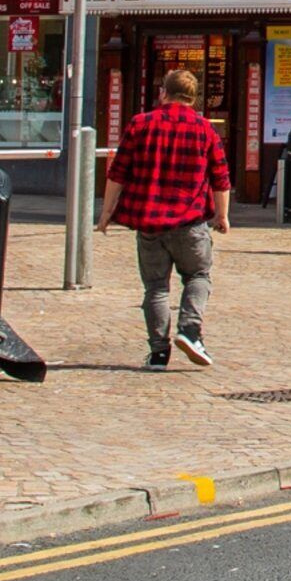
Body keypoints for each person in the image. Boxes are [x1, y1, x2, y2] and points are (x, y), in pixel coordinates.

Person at [100, 68, 234, 371]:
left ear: (164, 92)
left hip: (149, 223)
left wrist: (107, 213)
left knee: (156, 288)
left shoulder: (140, 124)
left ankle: (159, 353)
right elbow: (221, 177)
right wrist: (222, 216)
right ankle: (189, 330)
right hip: (190, 223)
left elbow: (117, 173)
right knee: (198, 276)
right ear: (194, 97)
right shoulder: (204, 129)